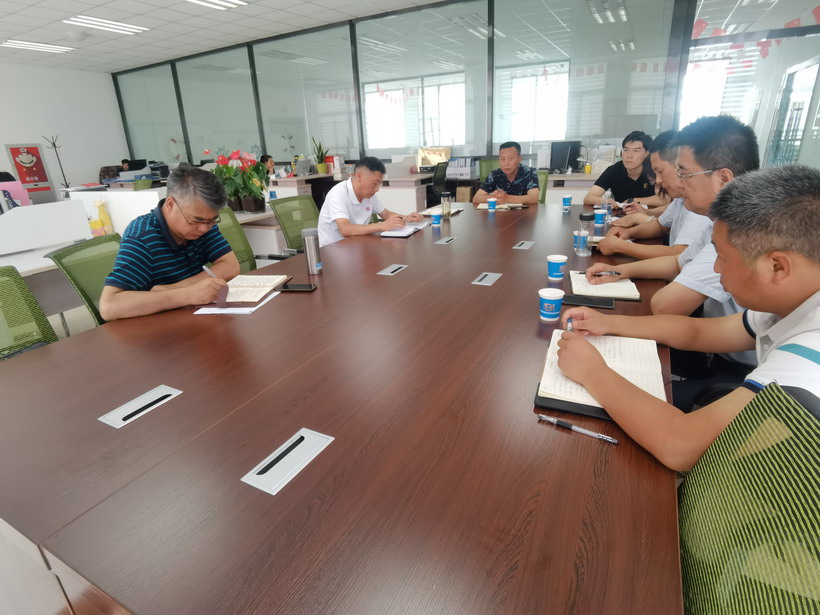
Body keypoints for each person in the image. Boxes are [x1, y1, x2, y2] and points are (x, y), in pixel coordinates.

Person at [558, 165, 820, 472]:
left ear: (777, 267)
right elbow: (696, 331)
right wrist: (607, 323)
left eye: (722, 256)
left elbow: (679, 445)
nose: (716, 268)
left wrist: (592, 371)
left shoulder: (808, 357)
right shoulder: (789, 301)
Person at [100, 163, 240, 321]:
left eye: (212, 220)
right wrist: (187, 295)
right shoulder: (142, 237)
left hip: (195, 319)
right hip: (158, 327)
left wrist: (174, 289)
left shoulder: (204, 224)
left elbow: (231, 265)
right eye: (196, 220)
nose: (204, 228)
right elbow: (109, 307)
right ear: (171, 204)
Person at [597, 130, 712, 260]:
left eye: (660, 172)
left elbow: (679, 254)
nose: (658, 180)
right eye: (626, 150)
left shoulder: (698, 205)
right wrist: (627, 233)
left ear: (679, 166)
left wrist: (622, 247)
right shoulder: (680, 198)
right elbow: (660, 226)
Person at [317, 157, 422, 247]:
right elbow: (345, 229)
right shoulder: (338, 193)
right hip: (334, 249)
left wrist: (407, 218)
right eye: (375, 183)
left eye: (379, 184)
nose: (377, 189)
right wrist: (382, 225)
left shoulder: (368, 195)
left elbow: (386, 214)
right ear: (359, 176)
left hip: (357, 244)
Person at [584, 131, 662, 206]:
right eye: (626, 150)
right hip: (621, 213)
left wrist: (632, 201)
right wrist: (605, 201)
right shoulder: (614, 170)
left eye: (636, 151)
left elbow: (664, 200)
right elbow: (588, 198)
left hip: (649, 213)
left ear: (646, 154)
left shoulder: (654, 170)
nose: (629, 156)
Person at [472, 141, 539, 206]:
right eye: (503, 159)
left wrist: (507, 198)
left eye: (510, 158)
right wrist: (495, 197)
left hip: (524, 212)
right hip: (500, 213)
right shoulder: (495, 175)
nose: (506, 163)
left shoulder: (529, 173)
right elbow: (476, 198)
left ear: (519, 158)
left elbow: (534, 198)